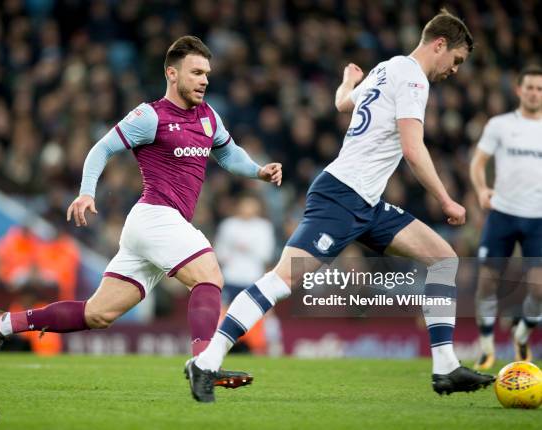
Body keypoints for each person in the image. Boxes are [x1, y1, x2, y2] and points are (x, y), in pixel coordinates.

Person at [187, 9, 495, 402]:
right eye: (456, 61)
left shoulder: (386, 69)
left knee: (443, 259)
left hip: (365, 201)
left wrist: (348, 82)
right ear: (439, 45)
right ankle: (207, 361)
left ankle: (446, 366)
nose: (455, 70)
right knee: (283, 279)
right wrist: (447, 199)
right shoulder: (413, 78)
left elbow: (343, 104)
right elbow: (413, 148)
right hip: (342, 195)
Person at [0, 36, 283, 390]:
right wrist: (87, 192)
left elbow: (229, 155)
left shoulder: (209, 118)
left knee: (98, 313)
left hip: (159, 227)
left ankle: (3, 325)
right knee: (209, 276)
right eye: (196, 72)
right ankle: (204, 363)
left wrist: (258, 170)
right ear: (172, 73)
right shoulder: (150, 116)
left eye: (207, 74)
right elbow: (101, 149)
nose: (204, 80)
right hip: (155, 216)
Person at [469, 66, 542, 369]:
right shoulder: (499, 125)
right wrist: (482, 189)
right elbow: (478, 162)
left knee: (539, 290)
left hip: (538, 218)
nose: (534, 93)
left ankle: (522, 335)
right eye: (530, 87)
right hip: (502, 214)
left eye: (539, 89)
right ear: (518, 90)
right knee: (486, 284)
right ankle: (486, 346)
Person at [214, 192, 280, 355]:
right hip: (231, 277)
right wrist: (231, 252)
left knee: (264, 313)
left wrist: (246, 247)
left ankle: (274, 346)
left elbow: (266, 253)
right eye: (245, 205)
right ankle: (214, 346)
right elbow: (219, 251)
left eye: (251, 205)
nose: (247, 209)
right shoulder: (228, 225)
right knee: (222, 312)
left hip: (253, 277)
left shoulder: (263, 227)